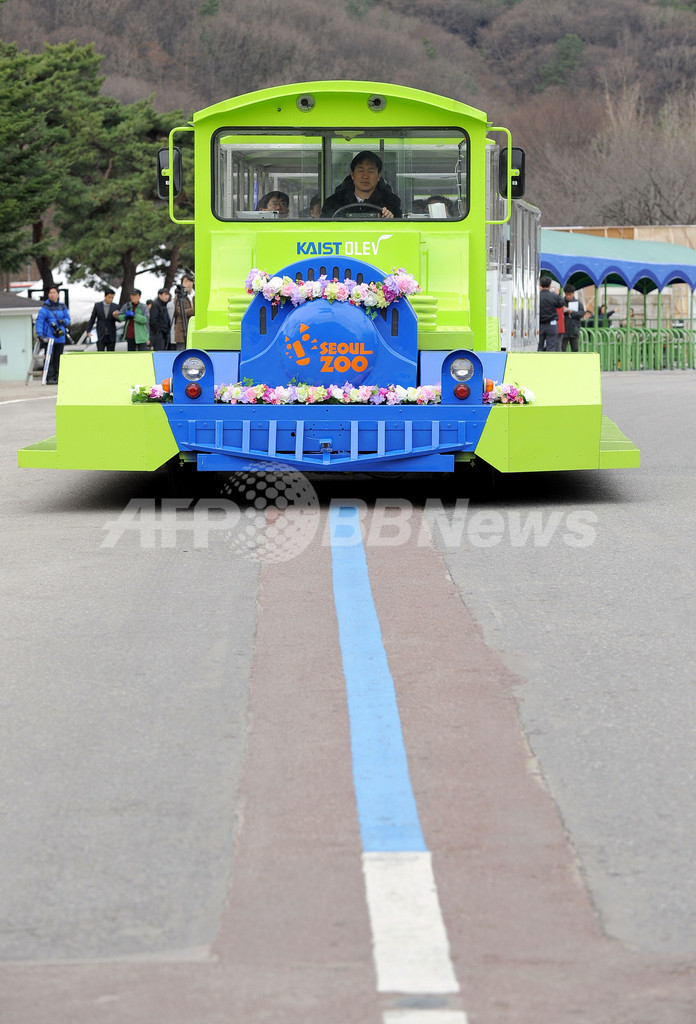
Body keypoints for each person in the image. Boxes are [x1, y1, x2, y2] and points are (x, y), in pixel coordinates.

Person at [321, 151, 402, 219]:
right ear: (352, 175)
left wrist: (391, 220)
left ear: (378, 176)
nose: (365, 176)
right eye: (361, 171)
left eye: (370, 171)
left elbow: (400, 232)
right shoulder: (333, 202)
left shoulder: (391, 202)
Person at [35, 286, 71, 383]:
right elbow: (39, 322)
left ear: (58, 294)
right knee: (49, 359)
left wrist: (62, 321)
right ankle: (50, 378)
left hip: (60, 337)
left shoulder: (63, 307)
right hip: (49, 337)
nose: (52, 294)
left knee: (58, 358)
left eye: (54, 292)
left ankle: (58, 377)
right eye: (50, 293)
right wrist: (40, 334)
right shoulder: (44, 308)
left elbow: (68, 319)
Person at [538, 276, 565, 352]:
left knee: (539, 346)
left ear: (540, 285)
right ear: (550, 285)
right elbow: (561, 303)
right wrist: (556, 293)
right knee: (551, 347)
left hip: (540, 325)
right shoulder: (554, 296)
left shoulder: (537, 296)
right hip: (551, 325)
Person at [561, 285, 585, 352]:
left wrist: (572, 312)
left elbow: (582, 313)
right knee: (562, 349)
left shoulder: (578, 303)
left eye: (570, 294)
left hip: (574, 329)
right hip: (564, 329)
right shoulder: (561, 302)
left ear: (573, 293)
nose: (568, 296)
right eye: (567, 294)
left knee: (575, 349)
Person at [173, 274, 194, 350]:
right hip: (181, 329)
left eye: (190, 281)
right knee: (181, 352)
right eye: (186, 281)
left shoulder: (197, 295)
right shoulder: (178, 296)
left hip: (194, 327)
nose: (188, 284)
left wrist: (187, 311)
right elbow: (180, 312)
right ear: (182, 283)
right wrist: (194, 310)